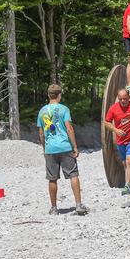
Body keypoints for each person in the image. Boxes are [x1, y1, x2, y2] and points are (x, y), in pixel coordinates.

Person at [37, 84, 89, 215]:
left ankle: (54, 208)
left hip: (50, 149)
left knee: (52, 179)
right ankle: (78, 205)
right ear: (59, 95)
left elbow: (41, 133)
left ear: (48, 95)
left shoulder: (42, 111)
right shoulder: (64, 109)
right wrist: (75, 147)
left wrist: (45, 148)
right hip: (65, 147)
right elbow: (69, 128)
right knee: (73, 175)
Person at [103, 89, 130, 195]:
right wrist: (116, 130)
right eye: (120, 99)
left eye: (125, 99)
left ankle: (126, 186)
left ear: (129, 97)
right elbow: (106, 122)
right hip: (121, 141)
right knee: (125, 165)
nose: (123, 101)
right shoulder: (113, 108)